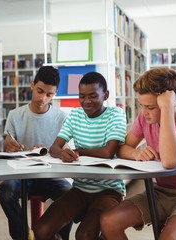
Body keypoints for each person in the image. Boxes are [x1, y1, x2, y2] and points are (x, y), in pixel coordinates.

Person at [100, 68, 176, 240]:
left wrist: (167, 110)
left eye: (150, 107)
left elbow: (170, 160)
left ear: (171, 102)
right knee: (108, 220)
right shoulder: (145, 118)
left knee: (171, 237)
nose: (144, 112)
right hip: (159, 192)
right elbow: (121, 148)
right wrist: (136, 153)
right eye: (142, 105)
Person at [33, 71, 127, 240]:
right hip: (80, 189)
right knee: (41, 229)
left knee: (84, 235)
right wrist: (62, 153)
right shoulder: (75, 115)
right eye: (82, 96)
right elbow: (54, 147)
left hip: (109, 191)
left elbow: (107, 152)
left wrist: (79, 151)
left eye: (92, 96)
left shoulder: (116, 114)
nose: (86, 101)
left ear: (105, 95)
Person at [0, 66, 72, 240]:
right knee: (4, 191)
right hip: (23, 173)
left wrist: (49, 150)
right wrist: (9, 144)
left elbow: (65, 150)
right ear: (31, 85)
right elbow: (8, 142)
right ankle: (24, 236)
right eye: (39, 91)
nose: (42, 98)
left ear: (55, 94)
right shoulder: (15, 115)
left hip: (52, 174)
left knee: (71, 195)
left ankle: (58, 235)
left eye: (49, 95)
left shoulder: (61, 118)